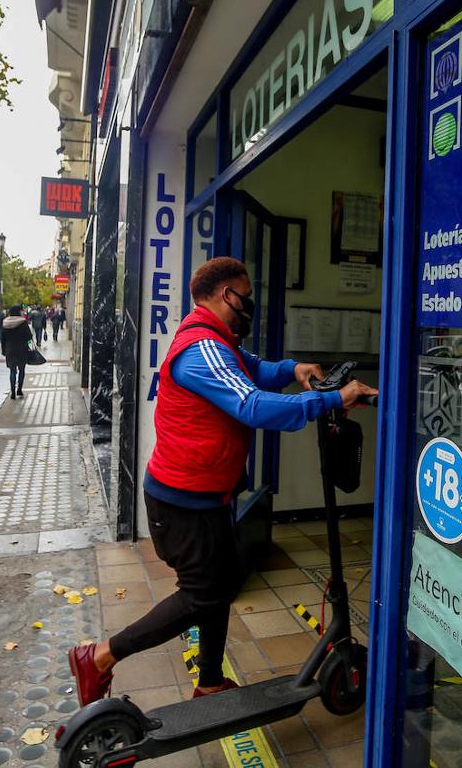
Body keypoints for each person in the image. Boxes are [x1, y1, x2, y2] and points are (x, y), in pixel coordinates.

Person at [68, 258, 377, 706]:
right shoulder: (201, 350)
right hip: (181, 503)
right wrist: (332, 398)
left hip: (206, 496)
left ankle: (210, 681)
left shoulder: (218, 341)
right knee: (202, 595)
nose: (249, 304)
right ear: (226, 294)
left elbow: (255, 370)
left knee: (222, 583)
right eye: (246, 295)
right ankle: (98, 656)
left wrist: (294, 370)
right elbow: (252, 405)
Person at [1, 304, 33, 398]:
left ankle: (13, 391)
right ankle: (19, 389)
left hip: (10, 349)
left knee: (12, 370)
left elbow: (3, 339)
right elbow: (29, 337)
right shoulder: (23, 322)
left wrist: (4, 350)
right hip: (22, 349)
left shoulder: (5, 323)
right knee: (22, 370)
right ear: (18, 312)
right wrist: (31, 348)